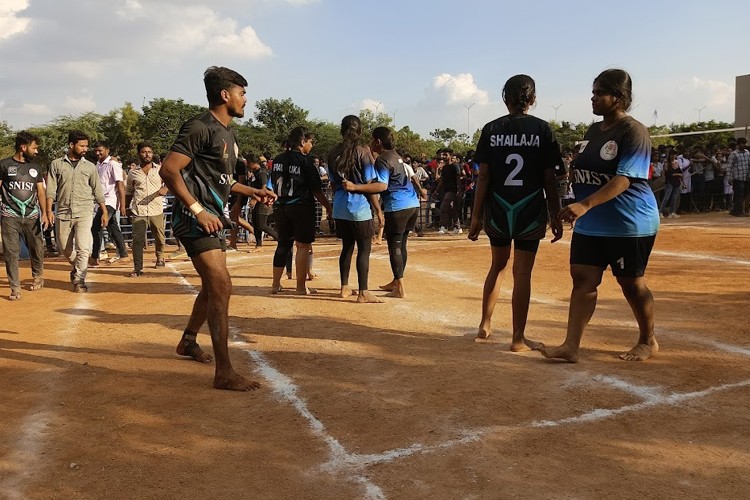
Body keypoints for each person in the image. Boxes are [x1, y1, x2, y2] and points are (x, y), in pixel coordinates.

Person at [159, 66, 277, 391]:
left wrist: (252, 191)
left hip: (212, 216)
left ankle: (187, 340)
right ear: (225, 95)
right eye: (242, 93)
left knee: (213, 287)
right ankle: (224, 372)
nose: (246, 100)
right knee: (222, 286)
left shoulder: (228, 132)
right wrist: (197, 211)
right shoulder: (199, 126)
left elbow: (222, 181)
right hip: (195, 218)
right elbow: (169, 171)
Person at [540, 68, 660, 363]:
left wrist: (585, 205)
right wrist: (570, 206)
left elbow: (624, 179)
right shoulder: (593, 132)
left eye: (599, 93)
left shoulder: (634, 132)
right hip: (592, 223)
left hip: (628, 222)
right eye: (592, 92)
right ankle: (571, 346)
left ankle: (648, 340)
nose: (592, 98)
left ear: (617, 98)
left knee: (631, 283)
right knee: (583, 280)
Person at [467, 75, 563, 350]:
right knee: (522, 274)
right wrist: (555, 214)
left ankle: (485, 324)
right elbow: (549, 179)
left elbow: (483, 177)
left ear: (504, 98)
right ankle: (518, 338)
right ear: (532, 99)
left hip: (497, 207)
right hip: (529, 208)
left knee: (497, 266)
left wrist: (475, 217)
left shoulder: (491, 129)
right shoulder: (543, 130)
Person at [327, 115, 387, 303]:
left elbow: (333, 183)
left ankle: (344, 287)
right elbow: (371, 186)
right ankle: (363, 292)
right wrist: (378, 209)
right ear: (360, 132)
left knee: (347, 247)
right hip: (359, 208)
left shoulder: (332, 153)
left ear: (341, 130)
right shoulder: (362, 153)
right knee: (363, 249)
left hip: (339, 206)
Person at [269, 127, 331, 295]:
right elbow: (317, 190)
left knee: (283, 244)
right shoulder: (306, 161)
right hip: (301, 206)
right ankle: (300, 287)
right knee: (303, 246)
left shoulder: (277, 159)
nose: (311, 146)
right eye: (310, 142)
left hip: (281, 206)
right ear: (303, 142)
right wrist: (329, 207)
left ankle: (275, 284)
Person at [47, 130, 108, 293]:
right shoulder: (56, 164)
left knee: (83, 247)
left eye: (86, 146)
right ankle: (77, 266)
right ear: (71, 145)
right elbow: (51, 190)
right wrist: (48, 211)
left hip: (85, 211)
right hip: (63, 211)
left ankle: (79, 279)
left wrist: (104, 212)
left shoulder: (90, 166)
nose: (85, 149)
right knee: (64, 247)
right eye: (82, 145)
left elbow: (97, 190)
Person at [370, 127, 420, 299]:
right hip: (413, 205)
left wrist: (360, 188)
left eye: (372, 140)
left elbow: (382, 185)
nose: (370, 143)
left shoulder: (382, 159)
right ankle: (396, 281)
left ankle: (399, 287)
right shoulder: (397, 156)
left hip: (397, 206)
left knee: (395, 247)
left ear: (378, 142)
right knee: (402, 243)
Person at [0, 131, 49, 300]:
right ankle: (15, 287)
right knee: (11, 252)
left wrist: (45, 213)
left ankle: (38, 276)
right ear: (23, 147)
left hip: (32, 216)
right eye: (34, 148)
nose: (36, 152)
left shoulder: (36, 167)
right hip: (9, 216)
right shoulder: (4, 165)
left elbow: (41, 191)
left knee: (37, 248)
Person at [125, 141, 168, 276]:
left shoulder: (160, 170)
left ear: (152, 153)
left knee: (159, 237)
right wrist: (126, 207)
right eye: (144, 152)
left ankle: (160, 257)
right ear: (139, 154)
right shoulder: (133, 173)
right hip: (139, 210)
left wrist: (165, 188)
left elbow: (171, 182)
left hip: (156, 209)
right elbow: (129, 191)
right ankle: (138, 268)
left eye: (149, 152)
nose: (147, 154)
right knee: (137, 240)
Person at [91, 141, 129, 265]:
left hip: (110, 201)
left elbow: (120, 184)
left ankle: (95, 255)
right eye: (96, 151)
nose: (98, 153)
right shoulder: (97, 165)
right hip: (100, 201)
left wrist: (122, 205)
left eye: (100, 150)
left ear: (107, 150)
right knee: (113, 226)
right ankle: (123, 253)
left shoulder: (113, 164)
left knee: (96, 226)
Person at [248, 158, 279, 252]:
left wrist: (254, 199)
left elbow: (264, 187)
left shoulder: (262, 173)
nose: (247, 166)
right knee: (256, 223)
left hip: (264, 200)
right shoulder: (256, 173)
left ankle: (280, 239)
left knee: (261, 225)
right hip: (259, 200)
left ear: (253, 163)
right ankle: (258, 245)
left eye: (248, 163)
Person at [727, 137, 749, 216]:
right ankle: (738, 211)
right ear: (738, 144)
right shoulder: (733, 154)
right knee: (738, 194)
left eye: (744, 143)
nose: (743, 145)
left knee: (744, 194)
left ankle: (735, 210)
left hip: (745, 177)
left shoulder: (747, 153)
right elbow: (729, 166)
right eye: (741, 144)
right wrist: (729, 178)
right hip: (737, 177)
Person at [659, 152, 683, 218]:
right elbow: (668, 174)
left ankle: (672, 212)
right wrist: (678, 174)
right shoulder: (667, 164)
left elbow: (680, 172)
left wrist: (681, 180)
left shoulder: (677, 163)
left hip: (676, 182)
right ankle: (660, 212)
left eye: (674, 155)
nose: (673, 156)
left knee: (674, 198)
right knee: (666, 197)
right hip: (669, 182)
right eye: (671, 155)